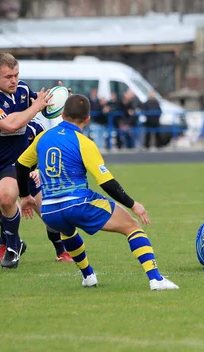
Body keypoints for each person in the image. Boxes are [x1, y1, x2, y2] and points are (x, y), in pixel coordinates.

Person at [16, 94, 179, 291]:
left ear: (63, 114)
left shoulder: (43, 137)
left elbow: (21, 164)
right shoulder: (84, 142)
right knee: (132, 226)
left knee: (67, 231)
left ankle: (88, 276)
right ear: (88, 119)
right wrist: (133, 204)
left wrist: (25, 196)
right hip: (77, 203)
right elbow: (106, 182)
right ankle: (156, 279)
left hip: (49, 210)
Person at [0, 52, 51, 269]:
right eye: (8, 76)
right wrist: (35, 108)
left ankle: (12, 247)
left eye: (16, 75)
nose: (14, 80)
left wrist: (58, 99)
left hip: (17, 159)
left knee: (6, 198)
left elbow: (41, 102)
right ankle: (10, 240)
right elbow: (9, 124)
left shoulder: (22, 89)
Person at [0, 115, 73, 264]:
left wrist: (37, 170)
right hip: (2, 171)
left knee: (48, 213)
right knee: (3, 204)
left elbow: (45, 150)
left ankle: (61, 251)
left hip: (28, 174)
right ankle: (6, 243)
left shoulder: (35, 127)